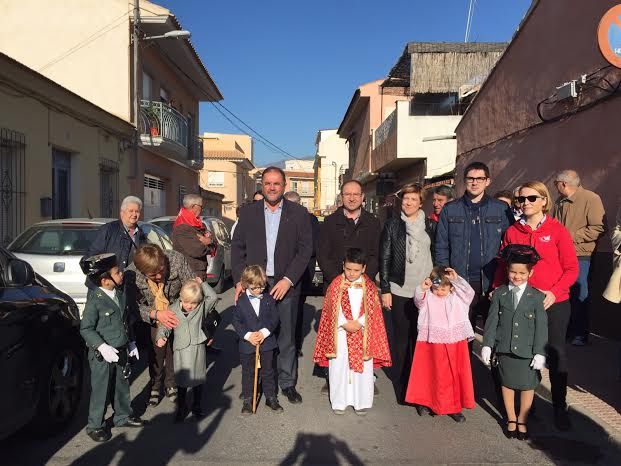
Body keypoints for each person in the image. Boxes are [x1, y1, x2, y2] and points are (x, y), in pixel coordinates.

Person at [494, 181, 579, 431]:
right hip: (522, 304)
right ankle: (527, 409)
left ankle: (559, 406)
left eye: (532, 198)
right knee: (527, 354)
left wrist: (554, 292)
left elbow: (572, 269)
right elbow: (503, 265)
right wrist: (496, 290)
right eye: (521, 200)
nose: (526, 203)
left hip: (554, 303)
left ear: (544, 200)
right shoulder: (513, 232)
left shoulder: (557, 230)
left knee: (555, 352)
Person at [232, 166, 312, 405]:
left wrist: (288, 280)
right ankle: (255, 382)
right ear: (262, 185)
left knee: (286, 336)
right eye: (268, 183)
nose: (272, 187)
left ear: (284, 186)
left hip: (286, 283)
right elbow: (237, 250)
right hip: (255, 284)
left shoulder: (299, 213)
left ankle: (287, 383)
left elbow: (305, 249)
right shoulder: (248, 214)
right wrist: (240, 281)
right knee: (256, 335)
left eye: (277, 183)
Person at [435, 161, 514, 337]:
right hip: (460, 281)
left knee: (495, 333)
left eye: (480, 178)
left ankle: (494, 365)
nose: (475, 182)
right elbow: (441, 245)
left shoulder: (501, 209)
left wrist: (507, 277)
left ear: (488, 181)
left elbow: (510, 244)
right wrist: (446, 276)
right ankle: (465, 366)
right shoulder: (450, 209)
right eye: (470, 178)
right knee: (462, 334)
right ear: (464, 180)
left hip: (492, 280)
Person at [317, 179, 381, 395]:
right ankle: (332, 376)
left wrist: (363, 278)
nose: (352, 198)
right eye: (347, 194)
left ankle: (365, 377)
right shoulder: (329, 222)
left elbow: (375, 254)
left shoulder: (372, 222)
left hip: (363, 286)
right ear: (341, 197)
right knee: (336, 332)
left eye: (356, 194)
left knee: (362, 330)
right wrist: (339, 281)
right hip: (335, 284)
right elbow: (323, 254)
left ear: (363, 197)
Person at [313, 248, 391, 415]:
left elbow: (374, 311)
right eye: (348, 269)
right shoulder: (335, 285)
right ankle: (339, 401)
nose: (351, 273)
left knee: (361, 368)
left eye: (356, 270)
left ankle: (361, 401)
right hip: (340, 333)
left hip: (363, 333)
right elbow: (329, 309)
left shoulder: (369, 287)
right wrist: (344, 322)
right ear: (343, 265)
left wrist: (360, 323)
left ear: (363, 268)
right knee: (340, 367)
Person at [482, 245, 548, 440]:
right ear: (507, 271)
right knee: (507, 384)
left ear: (530, 272)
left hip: (527, 351)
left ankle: (522, 419)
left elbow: (541, 327)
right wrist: (487, 344)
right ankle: (511, 418)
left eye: (521, 273)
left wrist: (540, 352)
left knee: (528, 386)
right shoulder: (500, 294)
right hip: (505, 349)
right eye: (512, 271)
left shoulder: (536, 296)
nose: (516, 276)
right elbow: (492, 321)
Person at [379, 183, 435, 404]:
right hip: (400, 289)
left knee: (420, 340)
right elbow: (384, 258)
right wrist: (385, 289)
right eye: (405, 199)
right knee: (401, 340)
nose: (409, 203)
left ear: (421, 203)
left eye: (413, 199)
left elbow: (437, 254)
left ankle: (420, 386)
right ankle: (402, 386)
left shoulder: (430, 226)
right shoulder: (392, 225)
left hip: (426, 290)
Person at [79, 253, 143, 442]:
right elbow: (86, 328)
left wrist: (130, 341)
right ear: (105, 280)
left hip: (120, 349)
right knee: (101, 389)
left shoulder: (119, 294)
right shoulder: (95, 300)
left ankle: (122, 416)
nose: (121, 273)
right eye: (117, 272)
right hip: (102, 355)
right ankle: (95, 425)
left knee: (121, 385)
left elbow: (125, 321)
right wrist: (101, 346)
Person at [126, 244, 197, 407]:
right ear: (143, 273)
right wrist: (156, 314)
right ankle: (155, 384)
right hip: (153, 314)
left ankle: (171, 383)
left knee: (174, 348)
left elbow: (191, 287)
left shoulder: (177, 260)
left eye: (162, 270)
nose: (159, 275)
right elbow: (131, 306)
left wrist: (182, 310)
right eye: (153, 275)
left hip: (177, 308)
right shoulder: (131, 275)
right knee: (156, 350)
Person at [405, 266, 475, 422]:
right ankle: (424, 402)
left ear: (451, 287)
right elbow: (418, 299)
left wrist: (456, 279)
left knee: (452, 375)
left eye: (444, 288)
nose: (440, 292)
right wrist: (423, 287)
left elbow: (469, 293)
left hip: (454, 342)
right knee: (428, 373)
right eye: (437, 288)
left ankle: (453, 406)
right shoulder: (428, 297)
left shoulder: (458, 297)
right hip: (431, 341)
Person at [553, 169, 606, 346]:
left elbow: (599, 227)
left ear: (563, 184)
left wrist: (571, 236)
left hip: (581, 255)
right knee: (563, 295)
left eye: (556, 184)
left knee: (579, 294)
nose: (555, 187)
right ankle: (567, 331)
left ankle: (580, 334)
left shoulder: (591, 198)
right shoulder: (560, 201)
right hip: (560, 255)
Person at [156, 279, 218, 422]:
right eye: (187, 302)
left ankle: (197, 406)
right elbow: (165, 326)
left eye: (193, 303)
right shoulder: (173, 309)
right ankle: (182, 407)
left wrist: (202, 284)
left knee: (198, 378)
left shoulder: (202, 306)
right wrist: (162, 336)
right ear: (181, 298)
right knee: (182, 381)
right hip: (181, 349)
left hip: (197, 347)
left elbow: (213, 297)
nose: (190, 306)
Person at [232, 265, 283, 415]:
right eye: (255, 288)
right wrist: (248, 335)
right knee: (248, 372)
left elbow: (275, 319)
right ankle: (248, 399)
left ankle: (270, 397)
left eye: (262, 287)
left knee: (268, 371)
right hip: (248, 345)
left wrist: (264, 332)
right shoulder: (241, 302)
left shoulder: (269, 299)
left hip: (266, 343)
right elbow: (236, 321)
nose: (259, 290)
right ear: (246, 285)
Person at [283, 190, 320, 357]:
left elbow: (313, 247)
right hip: (282, 273)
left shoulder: (311, 220)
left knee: (296, 312)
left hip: (303, 272)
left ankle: (295, 345)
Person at [85, 196, 145, 289]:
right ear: (122, 213)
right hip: (104, 287)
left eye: (137, 211)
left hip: (126, 287)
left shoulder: (141, 234)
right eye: (131, 211)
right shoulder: (108, 230)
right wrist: (105, 279)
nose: (134, 214)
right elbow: (92, 256)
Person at [172, 193, 213, 281]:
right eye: (201, 206)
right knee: (211, 295)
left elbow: (212, 240)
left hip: (199, 272)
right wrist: (209, 243)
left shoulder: (198, 224)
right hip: (190, 273)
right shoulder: (182, 227)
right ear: (193, 206)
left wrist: (209, 241)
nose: (202, 209)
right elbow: (198, 250)